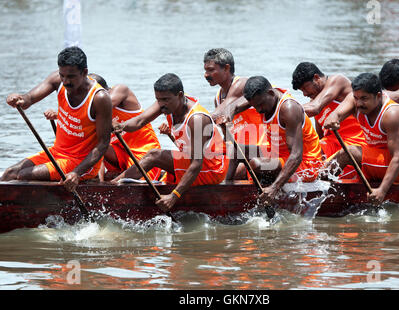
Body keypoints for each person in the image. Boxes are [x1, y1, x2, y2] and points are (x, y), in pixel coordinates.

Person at [111, 73, 229, 211]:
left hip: (212, 169)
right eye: (158, 99)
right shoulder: (166, 103)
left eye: (165, 99)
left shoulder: (197, 119)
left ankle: (110, 189)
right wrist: (120, 126)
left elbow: (196, 164)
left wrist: (174, 196)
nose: (161, 104)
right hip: (190, 161)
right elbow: (139, 121)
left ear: (179, 95)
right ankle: (115, 186)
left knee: (154, 156)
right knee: (156, 160)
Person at [1, 46, 112, 192]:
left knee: (22, 176)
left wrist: (76, 173)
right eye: (62, 75)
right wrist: (18, 99)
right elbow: (28, 99)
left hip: (80, 162)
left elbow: (103, 143)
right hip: (57, 153)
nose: (65, 81)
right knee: (9, 174)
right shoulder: (57, 80)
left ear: (84, 72)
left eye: (71, 77)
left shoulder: (100, 98)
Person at [323, 73, 399, 204]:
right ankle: (320, 183)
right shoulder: (354, 99)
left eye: (364, 99)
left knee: (348, 152)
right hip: (377, 155)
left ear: (378, 96)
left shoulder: (392, 113)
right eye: (356, 98)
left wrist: (382, 191)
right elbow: (336, 114)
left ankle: (318, 190)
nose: (359, 103)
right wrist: (332, 118)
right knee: (324, 163)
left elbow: (397, 157)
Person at [229, 76, 323, 203]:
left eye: (260, 105)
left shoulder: (289, 109)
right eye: (254, 106)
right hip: (278, 153)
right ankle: (223, 192)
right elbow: (236, 105)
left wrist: (274, 188)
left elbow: (296, 156)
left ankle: (262, 199)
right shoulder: (263, 98)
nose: (258, 110)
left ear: (271, 93)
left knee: (256, 164)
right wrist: (227, 114)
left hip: (306, 163)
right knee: (236, 151)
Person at [203, 48, 267, 179]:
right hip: (239, 152)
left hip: (261, 150)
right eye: (205, 70)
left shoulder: (243, 84)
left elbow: (221, 112)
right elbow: (228, 136)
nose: (206, 75)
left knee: (222, 176)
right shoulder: (217, 98)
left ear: (226, 68)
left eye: (211, 70)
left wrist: (191, 119)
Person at [291, 62, 366, 160]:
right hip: (331, 145)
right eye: (302, 91)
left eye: (305, 88)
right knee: (304, 151)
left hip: (354, 143)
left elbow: (315, 108)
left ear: (316, 78)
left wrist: (282, 110)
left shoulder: (338, 81)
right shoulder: (313, 102)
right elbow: (320, 137)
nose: (304, 94)